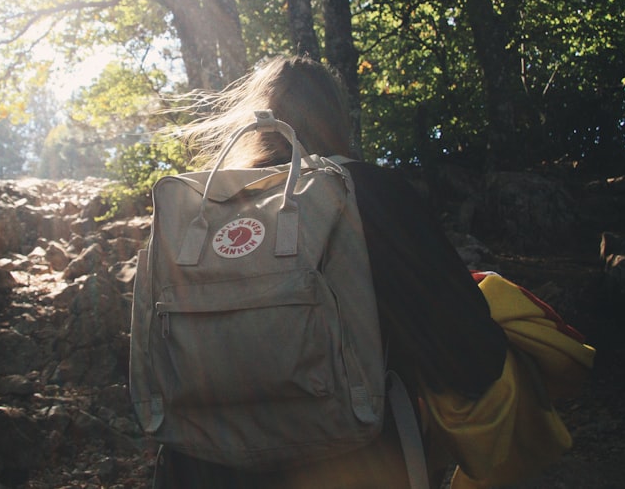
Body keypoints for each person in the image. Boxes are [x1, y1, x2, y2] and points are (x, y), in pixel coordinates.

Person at [153, 55, 509, 489]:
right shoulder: (367, 193)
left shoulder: (198, 216)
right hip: (356, 466)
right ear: (335, 117)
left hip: (200, 469)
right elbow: (469, 355)